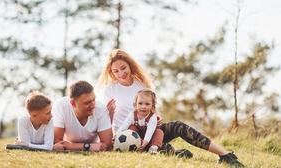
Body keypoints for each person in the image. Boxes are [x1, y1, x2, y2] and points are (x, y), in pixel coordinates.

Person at [99, 49, 244, 167]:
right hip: (127, 136)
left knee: (178, 126)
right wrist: (110, 116)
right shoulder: (110, 90)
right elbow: (105, 121)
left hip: (149, 130)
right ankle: (173, 153)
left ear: (130, 65)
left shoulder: (141, 85)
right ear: (111, 73)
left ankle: (225, 155)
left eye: (123, 68)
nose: (121, 73)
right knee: (161, 150)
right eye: (116, 71)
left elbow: (151, 108)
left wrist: (156, 117)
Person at [52, 80, 113, 152]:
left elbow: (107, 145)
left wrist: (69, 146)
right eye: (87, 102)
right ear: (73, 103)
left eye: (94, 100)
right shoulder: (60, 106)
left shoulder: (100, 108)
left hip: (89, 146)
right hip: (92, 146)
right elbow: (57, 142)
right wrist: (88, 147)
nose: (93, 105)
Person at [116, 89, 163, 154]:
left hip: (149, 138)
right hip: (137, 138)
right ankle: (136, 147)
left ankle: (153, 148)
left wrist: (145, 142)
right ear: (135, 104)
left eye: (147, 104)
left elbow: (150, 132)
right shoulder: (132, 114)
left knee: (159, 132)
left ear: (152, 106)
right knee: (132, 127)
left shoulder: (152, 117)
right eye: (140, 103)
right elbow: (124, 125)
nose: (143, 107)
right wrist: (117, 135)